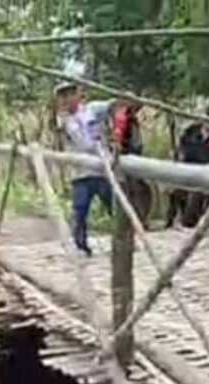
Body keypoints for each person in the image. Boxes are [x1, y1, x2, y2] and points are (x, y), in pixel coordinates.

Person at [56, 81, 116, 256]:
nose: (67, 100)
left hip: (101, 168)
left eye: (69, 95)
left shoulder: (93, 109)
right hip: (80, 172)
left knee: (114, 205)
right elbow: (83, 143)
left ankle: (126, 240)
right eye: (63, 97)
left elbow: (113, 106)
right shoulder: (64, 121)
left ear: (78, 94)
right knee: (80, 209)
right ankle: (81, 246)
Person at [168, 106, 209, 228]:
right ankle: (170, 221)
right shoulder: (191, 131)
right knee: (175, 190)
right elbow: (181, 148)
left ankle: (188, 224)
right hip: (187, 167)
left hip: (205, 173)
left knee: (196, 194)